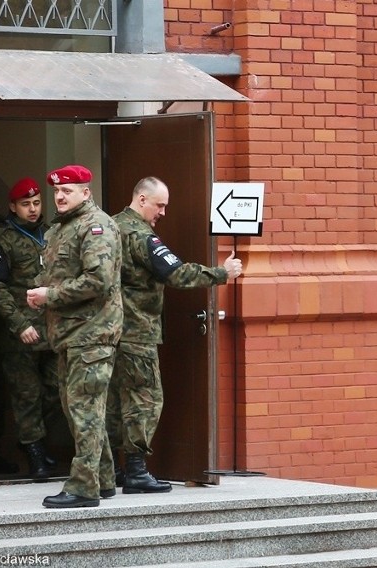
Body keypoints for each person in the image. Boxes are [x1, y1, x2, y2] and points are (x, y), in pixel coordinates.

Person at [107, 176, 243, 494]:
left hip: (109, 330)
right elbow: (176, 273)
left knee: (112, 400)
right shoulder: (141, 235)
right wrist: (222, 273)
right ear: (142, 199)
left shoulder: (110, 226)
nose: (163, 212)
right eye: (160, 205)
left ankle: (111, 470)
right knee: (145, 399)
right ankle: (137, 471)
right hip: (137, 332)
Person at [27, 164, 122, 508]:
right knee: (79, 409)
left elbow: (99, 281)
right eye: (57, 191)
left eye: (69, 190)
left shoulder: (96, 227)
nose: (60, 196)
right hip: (68, 335)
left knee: (84, 411)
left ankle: (83, 487)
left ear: (86, 192)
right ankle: (105, 479)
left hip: (92, 334)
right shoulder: (61, 229)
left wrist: (49, 295)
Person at [0, 177, 60, 481]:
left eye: (37, 203)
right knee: (26, 394)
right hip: (21, 333)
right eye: (26, 204)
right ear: (13, 206)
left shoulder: (54, 234)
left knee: (57, 390)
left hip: (54, 329)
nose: (33, 209)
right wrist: (19, 324)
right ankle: (35, 452)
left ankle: (34, 438)